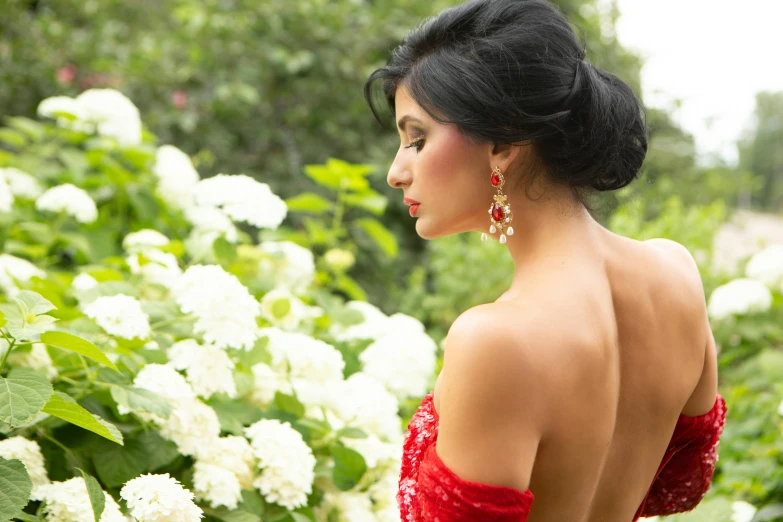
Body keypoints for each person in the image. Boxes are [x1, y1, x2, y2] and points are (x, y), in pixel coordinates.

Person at [363, 0, 727, 520]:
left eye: (417, 139)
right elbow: (681, 481)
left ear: (505, 143)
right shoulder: (675, 273)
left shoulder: (494, 340)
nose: (396, 171)